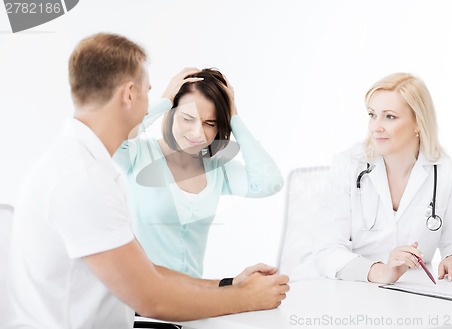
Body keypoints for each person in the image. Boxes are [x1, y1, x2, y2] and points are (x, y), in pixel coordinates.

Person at [5, 33, 289, 329]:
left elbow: (149, 273)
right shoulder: (80, 179)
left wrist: (230, 285)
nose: (154, 102)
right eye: (149, 92)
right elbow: (151, 298)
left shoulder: (88, 167)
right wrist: (245, 299)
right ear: (129, 94)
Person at [113, 67, 284, 278]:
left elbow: (270, 183)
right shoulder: (138, 154)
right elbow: (112, 135)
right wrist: (165, 99)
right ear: (171, 113)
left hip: (193, 302)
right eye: (187, 118)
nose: (198, 133)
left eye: (210, 123)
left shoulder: (216, 168)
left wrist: (234, 118)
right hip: (141, 305)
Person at [312, 72, 452, 284]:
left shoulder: (449, 176)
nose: (376, 126)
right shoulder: (347, 165)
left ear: (418, 122)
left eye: (389, 116)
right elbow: (326, 249)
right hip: (351, 289)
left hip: (416, 294)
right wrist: (379, 272)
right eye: (372, 115)